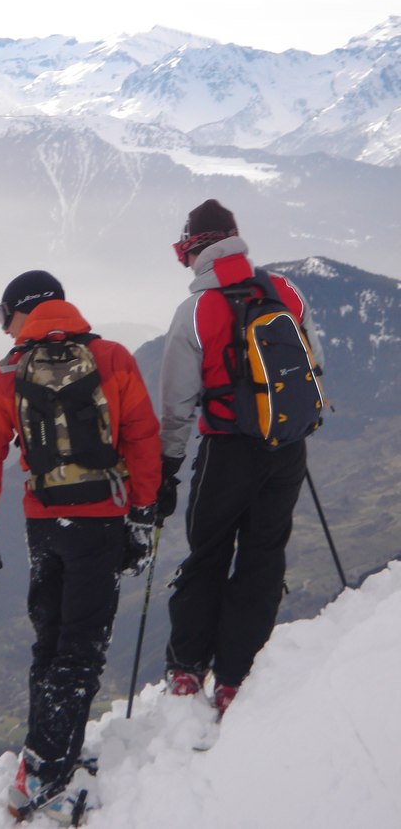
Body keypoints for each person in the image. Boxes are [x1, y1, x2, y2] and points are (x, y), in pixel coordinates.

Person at [0, 270, 162, 822]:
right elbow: (142, 436)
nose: (5, 329)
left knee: (50, 639)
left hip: (43, 523)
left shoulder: (5, 374)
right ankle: (47, 772)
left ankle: (44, 750)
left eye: (5, 316)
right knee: (81, 647)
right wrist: (143, 515)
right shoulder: (114, 358)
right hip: (100, 521)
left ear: (24, 312)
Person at [156, 200, 324, 717]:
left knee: (207, 553)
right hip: (286, 449)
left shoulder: (196, 311)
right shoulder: (286, 292)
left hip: (227, 451)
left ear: (195, 249)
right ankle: (235, 677)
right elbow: (313, 364)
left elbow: (178, 404)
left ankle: (188, 669)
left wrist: (167, 467)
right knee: (263, 556)